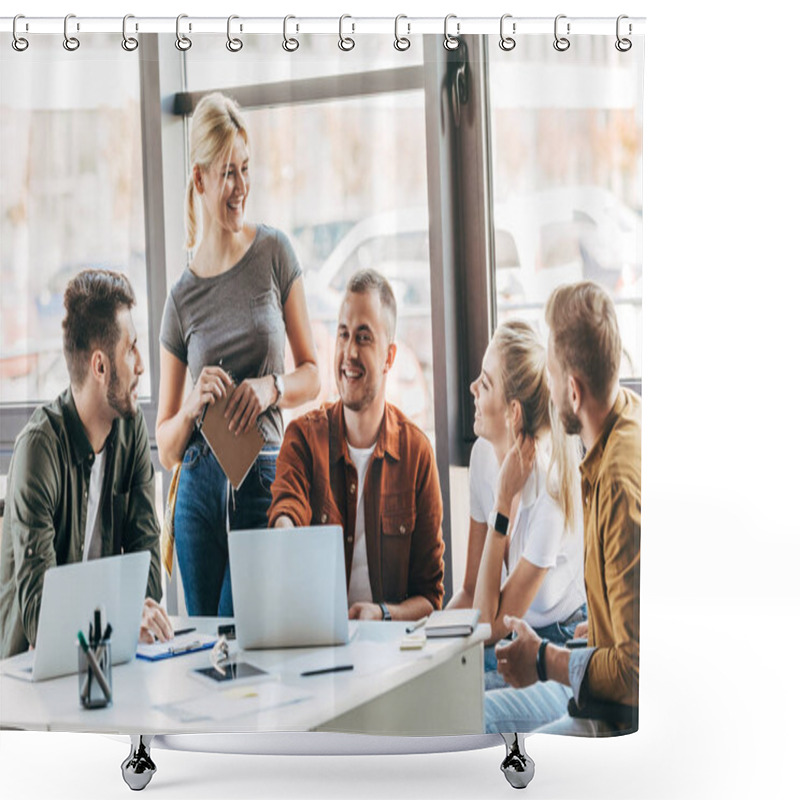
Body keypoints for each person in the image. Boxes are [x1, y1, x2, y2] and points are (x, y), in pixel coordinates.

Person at [156, 92, 319, 617]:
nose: (241, 187)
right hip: (199, 491)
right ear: (199, 179)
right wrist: (190, 407)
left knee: (244, 634)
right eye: (228, 172)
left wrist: (272, 387)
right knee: (205, 653)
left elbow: (313, 375)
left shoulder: (274, 252)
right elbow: (165, 446)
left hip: (265, 477)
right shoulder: (181, 297)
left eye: (246, 170)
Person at [484, 281, 641, 737]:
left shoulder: (616, 483)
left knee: (518, 761)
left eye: (551, 376)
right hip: (593, 665)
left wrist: (544, 659)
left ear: (572, 392)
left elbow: (632, 671)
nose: (546, 389)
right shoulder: (620, 422)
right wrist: (600, 628)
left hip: (618, 716)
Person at [0, 269, 171, 658]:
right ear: (100, 366)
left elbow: (148, 570)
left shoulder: (130, 435)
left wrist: (127, 616)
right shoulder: (38, 451)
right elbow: (41, 618)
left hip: (106, 660)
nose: (141, 364)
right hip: (29, 679)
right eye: (131, 349)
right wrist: (124, 616)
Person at [268, 269, 445, 621]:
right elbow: (287, 507)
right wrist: (284, 534)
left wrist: (382, 614)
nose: (348, 352)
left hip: (390, 654)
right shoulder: (302, 439)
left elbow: (430, 597)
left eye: (364, 338)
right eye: (343, 334)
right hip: (317, 646)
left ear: (389, 357)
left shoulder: (417, 453)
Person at [447, 321, 585, 689]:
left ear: (513, 413)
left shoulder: (549, 492)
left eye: (485, 383)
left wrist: (502, 504)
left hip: (555, 646)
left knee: (464, 708)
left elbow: (486, 624)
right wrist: (419, 643)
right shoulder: (482, 457)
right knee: (433, 690)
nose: (472, 388)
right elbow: (471, 592)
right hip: (505, 636)